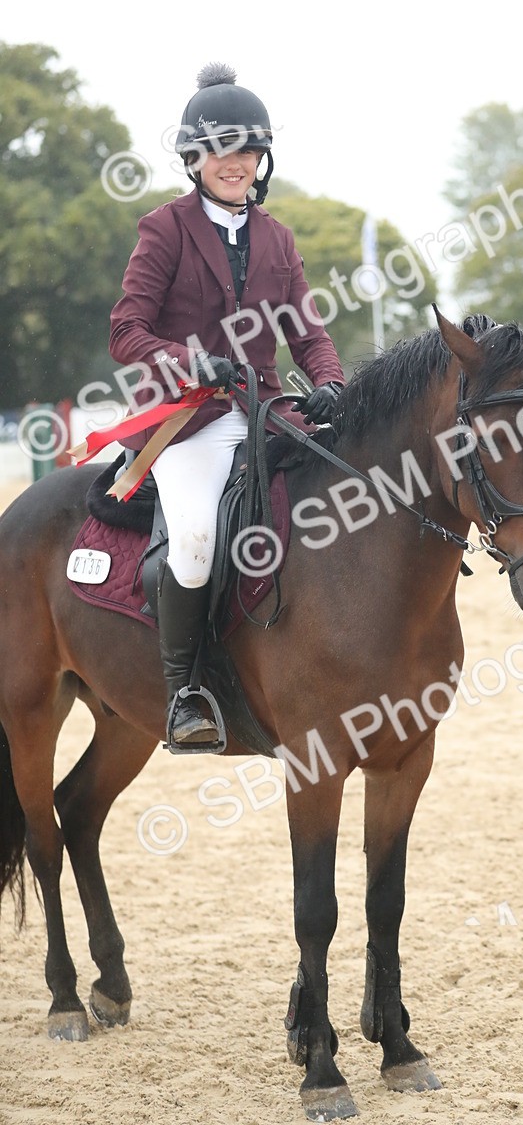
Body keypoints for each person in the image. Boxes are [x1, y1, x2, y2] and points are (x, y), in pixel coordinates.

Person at [109, 62, 344, 750]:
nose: (234, 162)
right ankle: (185, 693)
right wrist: (190, 362)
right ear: (194, 160)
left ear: (260, 158)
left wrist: (330, 382)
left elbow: (308, 332)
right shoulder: (164, 229)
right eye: (219, 151)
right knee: (195, 540)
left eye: (246, 149)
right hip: (188, 420)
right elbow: (126, 331)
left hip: (267, 409)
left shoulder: (278, 238)